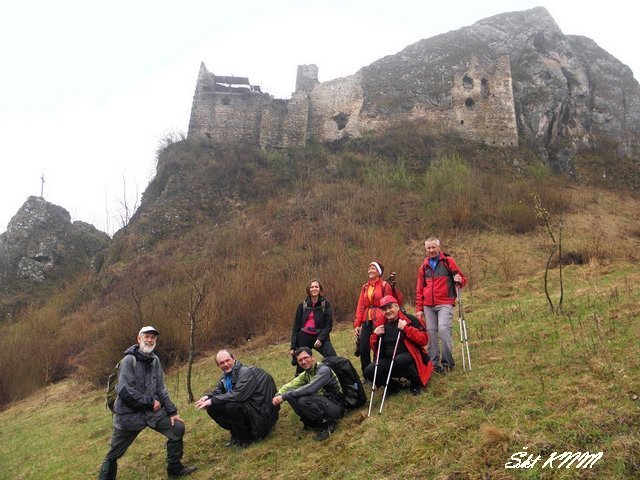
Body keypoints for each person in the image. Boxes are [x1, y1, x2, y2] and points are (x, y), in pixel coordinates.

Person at [98, 326, 196, 480]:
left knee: (177, 428)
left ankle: (175, 470)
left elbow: (160, 389)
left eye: (153, 337)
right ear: (139, 339)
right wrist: (150, 402)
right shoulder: (128, 360)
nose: (150, 340)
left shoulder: (154, 360)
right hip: (129, 416)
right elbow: (125, 392)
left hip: (152, 414)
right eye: (147, 337)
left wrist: (172, 411)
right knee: (113, 454)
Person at [194, 350, 279, 448]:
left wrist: (212, 400)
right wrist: (208, 397)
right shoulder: (224, 377)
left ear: (233, 359)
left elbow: (238, 395)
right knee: (212, 408)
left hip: (261, 414)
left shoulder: (245, 372)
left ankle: (245, 439)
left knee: (231, 406)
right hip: (249, 408)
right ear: (218, 365)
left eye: (227, 360)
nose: (226, 364)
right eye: (222, 363)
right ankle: (236, 434)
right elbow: (218, 391)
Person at [415, 237, 467, 373]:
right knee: (431, 333)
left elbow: (462, 279)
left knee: (443, 330)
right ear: (426, 249)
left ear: (439, 248)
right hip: (428, 305)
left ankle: (447, 363)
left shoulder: (448, 261)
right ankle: (434, 365)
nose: (431, 250)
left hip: (445, 303)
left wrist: (459, 280)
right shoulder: (423, 266)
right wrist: (419, 308)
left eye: (433, 247)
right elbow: (419, 289)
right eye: (429, 248)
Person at [364, 295, 433, 395]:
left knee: (401, 359)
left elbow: (424, 339)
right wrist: (375, 335)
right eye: (384, 309)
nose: (388, 311)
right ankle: (393, 387)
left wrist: (407, 329)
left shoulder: (409, 319)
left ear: (397, 307)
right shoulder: (379, 324)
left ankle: (416, 383)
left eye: (390, 307)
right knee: (369, 371)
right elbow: (375, 349)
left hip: (410, 358)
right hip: (389, 360)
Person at [272, 347, 344, 441]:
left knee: (303, 399)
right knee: (291, 394)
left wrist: (284, 396)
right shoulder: (306, 373)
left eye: (306, 358)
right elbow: (290, 385)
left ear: (312, 357)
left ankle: (327, 425)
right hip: (323, 403)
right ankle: (309, 422)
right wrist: (278, 394)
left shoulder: (324, 370)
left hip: (335, 406)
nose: (303, 362)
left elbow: (310, 389)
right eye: (300, 360)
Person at [353, 261, 403, 375]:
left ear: (379, 272)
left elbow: (389, 303)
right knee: (363, 348)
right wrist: (357, 324)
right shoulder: (365, 287)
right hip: (367, 319)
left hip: (381, 318)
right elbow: (361, 305)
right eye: (369, 268)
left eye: (373, 268)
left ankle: (377, 372)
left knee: (377, 346)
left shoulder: (385, 285)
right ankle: (366, 373)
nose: (370, 270)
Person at [289, 279, 337, 375]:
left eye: (316, 287)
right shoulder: (302, 305)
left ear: (320, 289)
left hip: (320, 336)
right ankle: (300, 383)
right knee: (302, 365)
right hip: (304, 336)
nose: (314, 289)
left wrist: (320, 339)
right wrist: (293, 346)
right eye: (312, 287)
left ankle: (336, 379)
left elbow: (329, 325)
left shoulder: (325, 304)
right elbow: (296, 326)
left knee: (333, 359)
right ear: (308, 289)